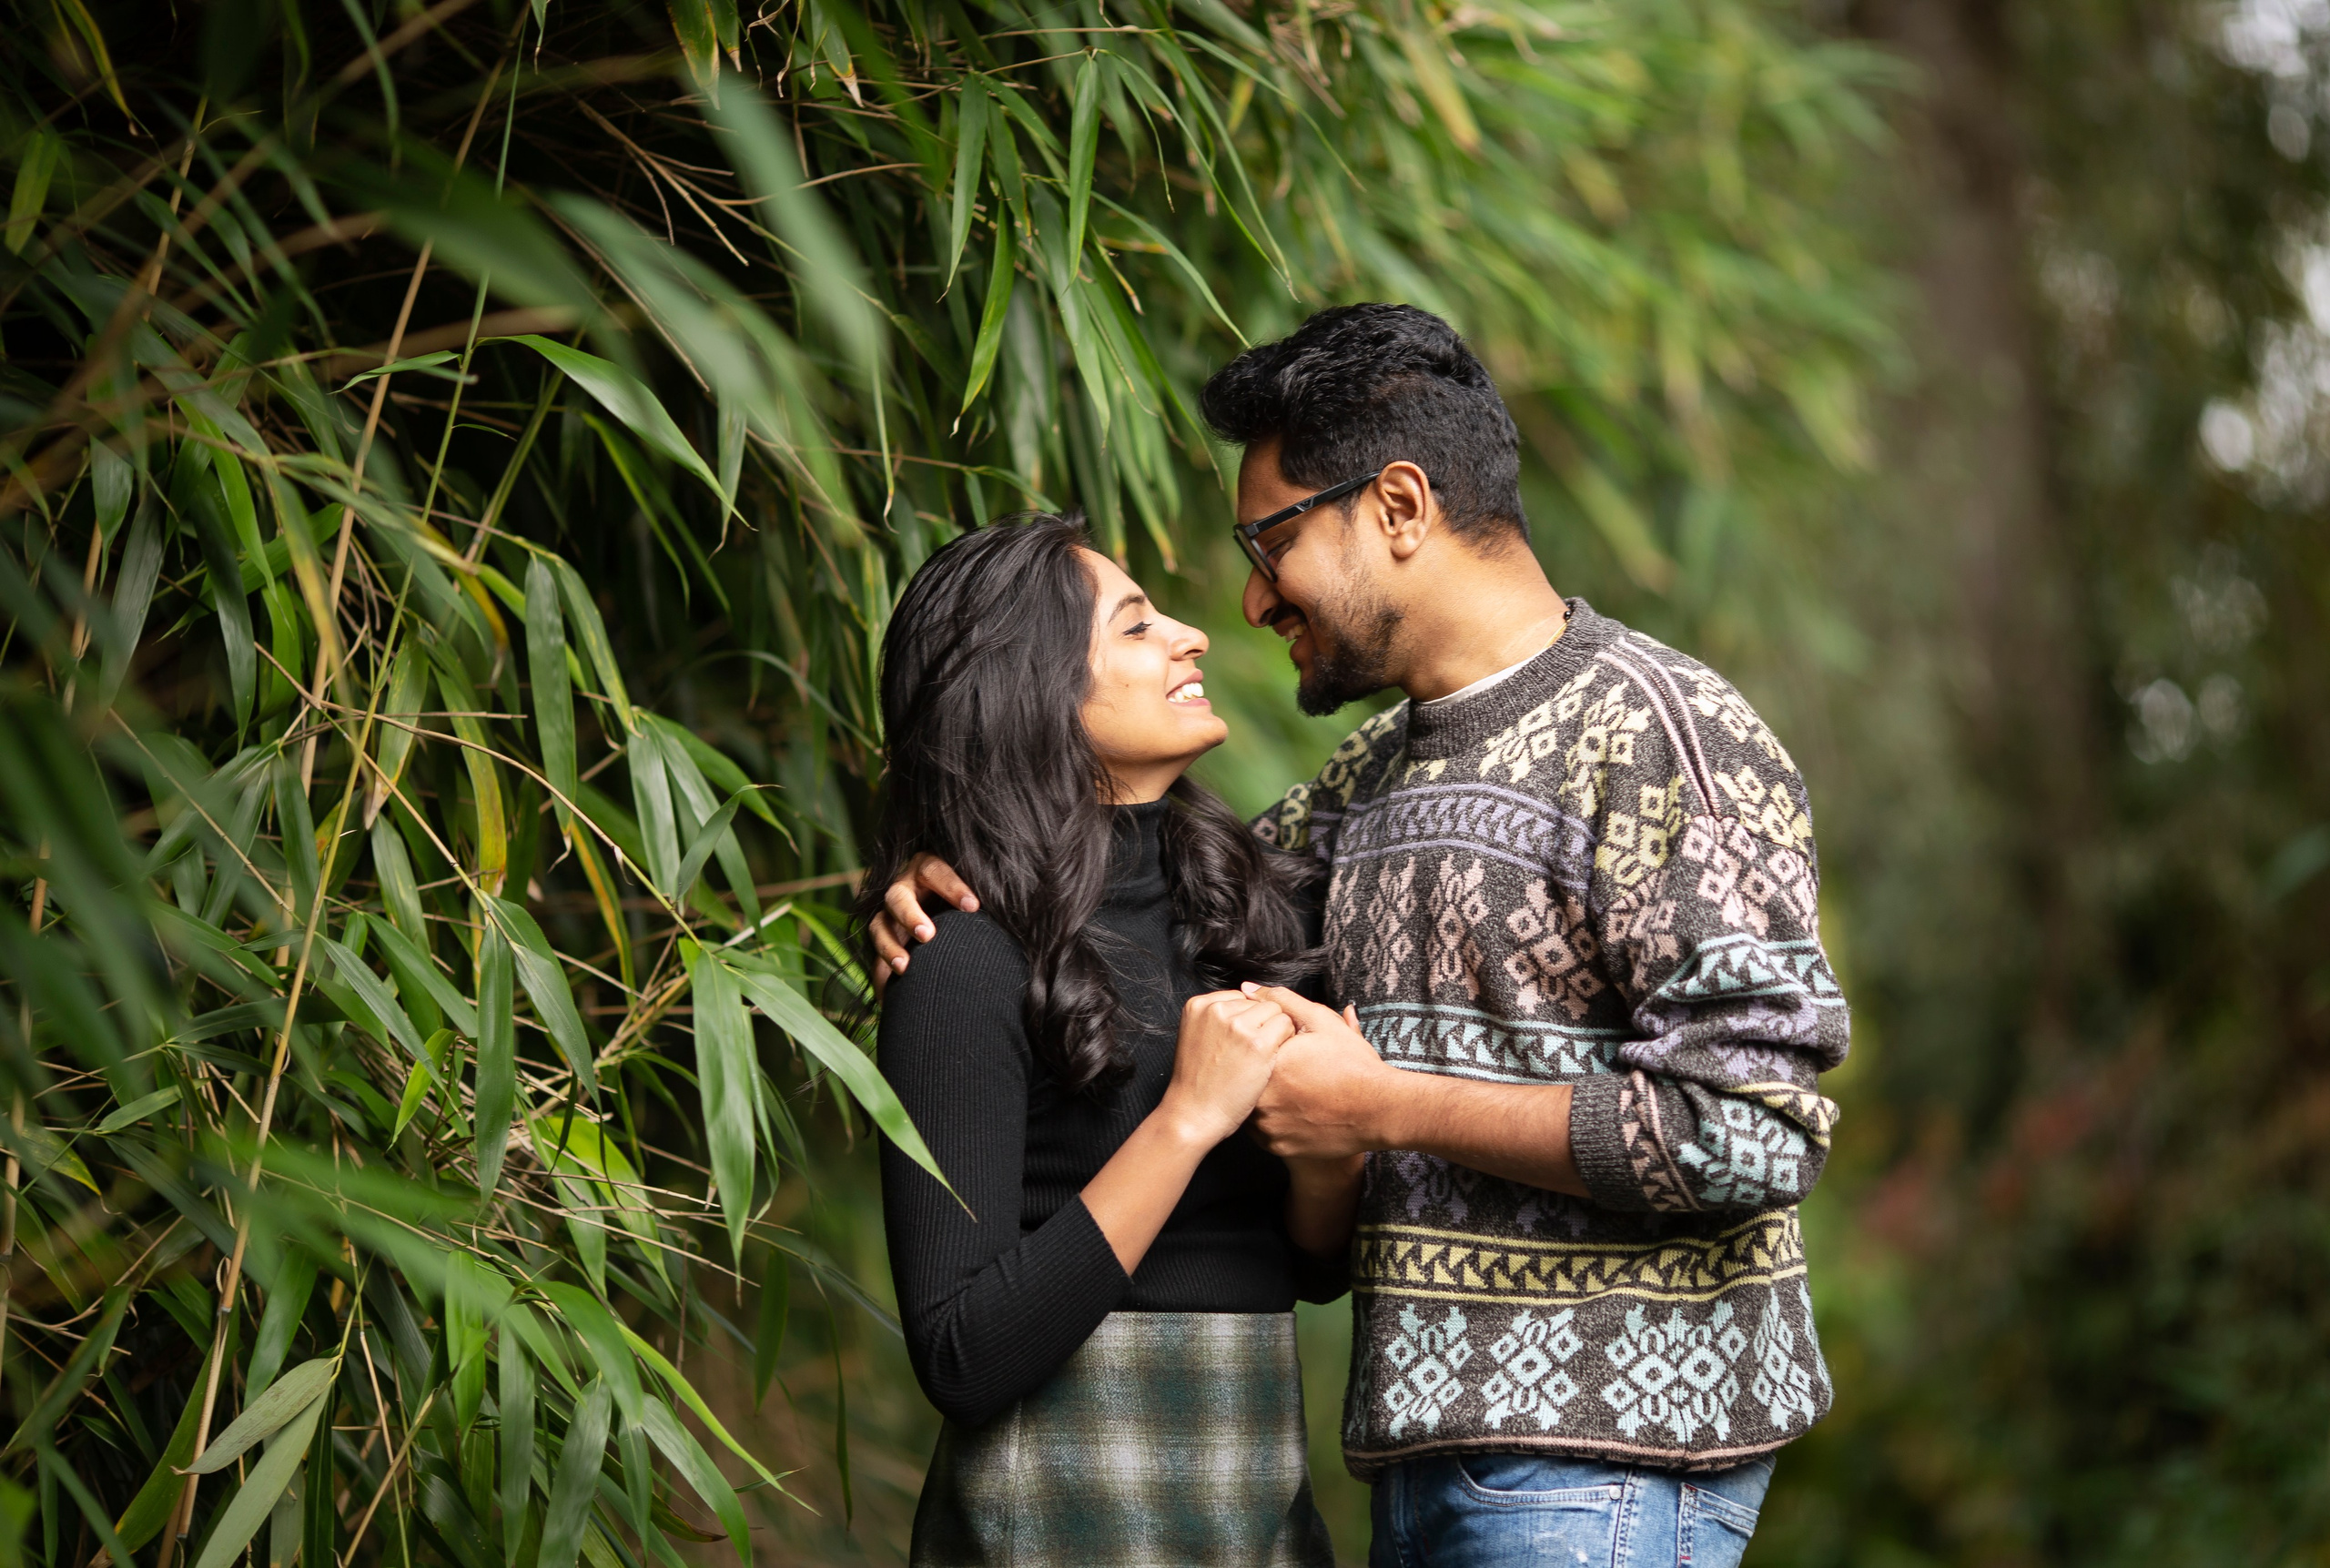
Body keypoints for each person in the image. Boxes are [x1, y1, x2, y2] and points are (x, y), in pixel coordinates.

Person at [872, 304, 1849, 1568]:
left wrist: (1386, 1103)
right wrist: (948, 867)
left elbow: (1756, 1125)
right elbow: (1126, 897)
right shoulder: (1365, 784)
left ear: (1396, 506)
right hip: (1409, 1461)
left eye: (1269, 539)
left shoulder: (1665, 733)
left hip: (1604, 1459)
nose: (1246, 596)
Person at [860, 514, 1356, 1568]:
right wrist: (1185, 1120)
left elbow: (1310, 1269)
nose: (1196, 635)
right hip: (1050, 1521)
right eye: (1137, 627)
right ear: (1034, 690)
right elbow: (960, 1355)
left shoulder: (1258, 914)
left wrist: (1336, 1154)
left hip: (1253, 1508)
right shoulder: (959, 962)